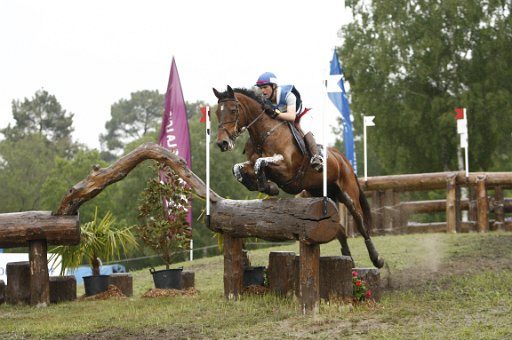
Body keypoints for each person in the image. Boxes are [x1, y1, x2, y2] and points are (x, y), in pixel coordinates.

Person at [255, 72, 323, 171]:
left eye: (265, 87)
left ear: (273, 86)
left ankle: (316, 157)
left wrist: (275, 114)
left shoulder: (287, 94)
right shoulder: (265, 100)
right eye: (261, 88)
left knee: (302, 127)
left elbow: (292, 117)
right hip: (283, 119)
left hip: (301, 115)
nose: (263, 91)